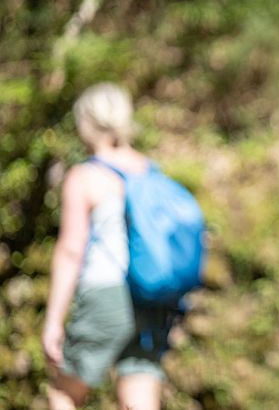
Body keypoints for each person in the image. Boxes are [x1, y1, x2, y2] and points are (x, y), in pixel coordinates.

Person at [42, 83, 167, 410]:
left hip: (105, 293)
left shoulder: (85, 176)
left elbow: (71, 251)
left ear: (86, 122)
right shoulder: (150, 171)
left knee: (64, 394)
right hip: (151, 295)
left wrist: (54, 319)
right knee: (140, 397)